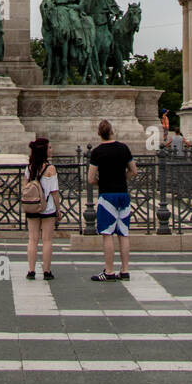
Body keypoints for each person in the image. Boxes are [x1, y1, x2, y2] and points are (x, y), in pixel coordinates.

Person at [88, 119, 137, 281]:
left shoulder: (97, 152)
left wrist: (101, 182)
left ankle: (109, 271)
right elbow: (133, 171)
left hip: (107, 195)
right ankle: (125, 270)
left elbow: (90, 178)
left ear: (98, 133)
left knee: (107, 233)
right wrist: (123, 178)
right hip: (123, 194)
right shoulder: (123, 148)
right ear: (112, 131)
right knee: (123, 233)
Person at [24, 136, 61, 280]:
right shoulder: (50, 168)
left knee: (32, 239)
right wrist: (58, 208)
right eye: (49, 147)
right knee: (47, 240)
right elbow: (55, 192)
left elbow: (25, 187)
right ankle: (46, 271)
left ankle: (31, 270)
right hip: (48, 207)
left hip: (32, 206)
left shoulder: (29, 167)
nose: (51, 150)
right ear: (44, 151)